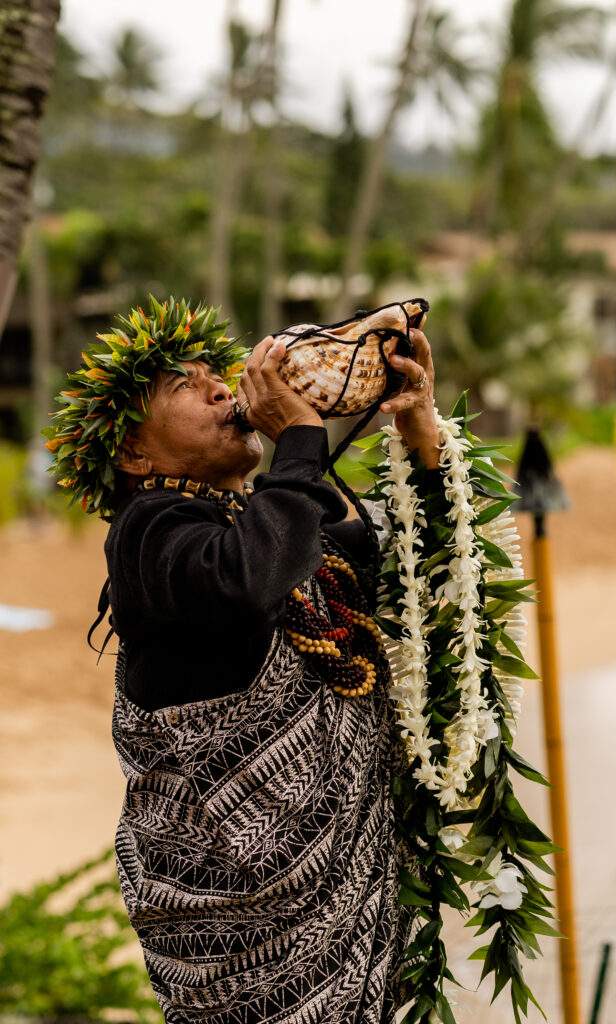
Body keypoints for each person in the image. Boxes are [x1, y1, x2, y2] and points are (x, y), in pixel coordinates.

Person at [46, 297, 440, 1024]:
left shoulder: (254, 520)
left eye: (215, 376)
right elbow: (247, 581)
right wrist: (295, 439)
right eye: (184, 388)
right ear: (136, 454)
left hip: (345, 911)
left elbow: (387, 562)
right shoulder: (148, 536)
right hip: (244, 940)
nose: (222, 389)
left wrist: (409, 417)